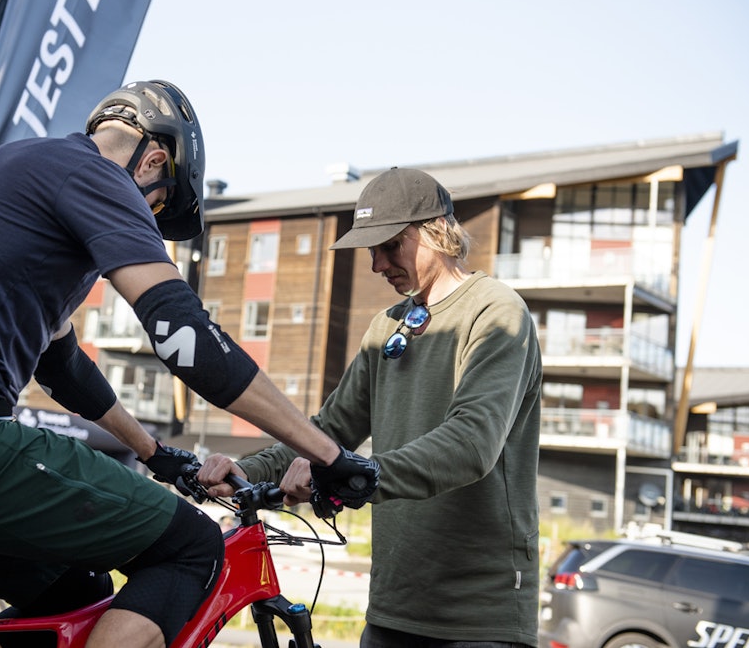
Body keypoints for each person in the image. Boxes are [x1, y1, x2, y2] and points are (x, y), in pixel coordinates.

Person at [0, 80, 378, 648]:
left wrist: (160, 456)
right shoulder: (96, 176)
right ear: (153, 158)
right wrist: (326, 453)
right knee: (191, 550)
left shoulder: (14, 168)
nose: (144, 221)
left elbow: (64, 367)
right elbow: (184, 337)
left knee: (75, 596)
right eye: (154, 207)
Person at [199, 167, 543, 648]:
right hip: (392, 606)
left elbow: (472, 443)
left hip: (478, 615)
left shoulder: (495, 311)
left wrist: (358, 473)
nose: (377, 265)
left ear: (436, 232)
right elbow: (331, 430)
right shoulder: (387, 325)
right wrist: (246, 468)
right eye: (370, 250)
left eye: (390, 246)